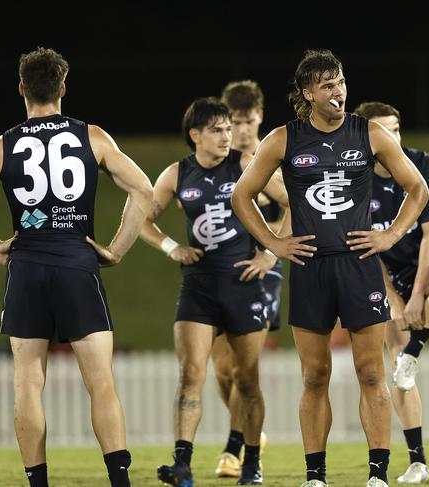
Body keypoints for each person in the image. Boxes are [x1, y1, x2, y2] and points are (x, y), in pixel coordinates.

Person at [231, 49, 429, 487]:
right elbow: (241, 196)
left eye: (340, 82)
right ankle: (316, 477)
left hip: (359, 266)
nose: (337, 91)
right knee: (314, 374)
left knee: (372, 371)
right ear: (308, 93)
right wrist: (273, 243)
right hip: (310, 267)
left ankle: (377, 474)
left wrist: (390, 235)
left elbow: (417, 187)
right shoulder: (284, 139)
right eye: (327, 85)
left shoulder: (370, 132)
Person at [0, 47, 153, 487]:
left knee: (28, 383)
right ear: (63, 88)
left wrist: (2, 245)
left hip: (27, 266)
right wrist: (116, 250)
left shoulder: (4, 144)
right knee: (100, 381)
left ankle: (37, 483)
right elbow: (143, 190)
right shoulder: (93, 137)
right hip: (77, 262)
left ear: (21, 89)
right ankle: (119, 482)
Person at [141, 97, 287, 486]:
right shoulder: (176, 174)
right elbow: (143, 220)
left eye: (228, 129)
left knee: (247, 379)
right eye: (218, 130)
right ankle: (182, 464)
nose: (228, 136)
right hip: (199, 287)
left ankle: (252, 463)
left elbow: (291, 203)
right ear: (195, 135)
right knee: (192, 374)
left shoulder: (244, 165)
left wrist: (270, 254)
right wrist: (173, 248)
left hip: (244, 285)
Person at [354, 101, 429, 484]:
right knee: (397, 363)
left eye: (397, 129)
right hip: (384, 273)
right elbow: (368, 248)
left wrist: (417, 295)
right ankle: (418, 460)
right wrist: (395, 299)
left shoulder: (421, 166)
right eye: (383, 131)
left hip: (428, 264)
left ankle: (416, 349)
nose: (392, 138)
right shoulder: (357, 179)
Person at [213, 80, 276, 478]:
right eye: (235, 122)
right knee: (221, 371)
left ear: (259, 118)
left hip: (262, 271)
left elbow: (293, 209)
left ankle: (234, 449)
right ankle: (252, 432)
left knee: (242, 370)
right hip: (222, 270)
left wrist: (271, 252)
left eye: (248, 121)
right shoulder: (214, 163)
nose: (242, 130)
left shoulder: (269, 159)